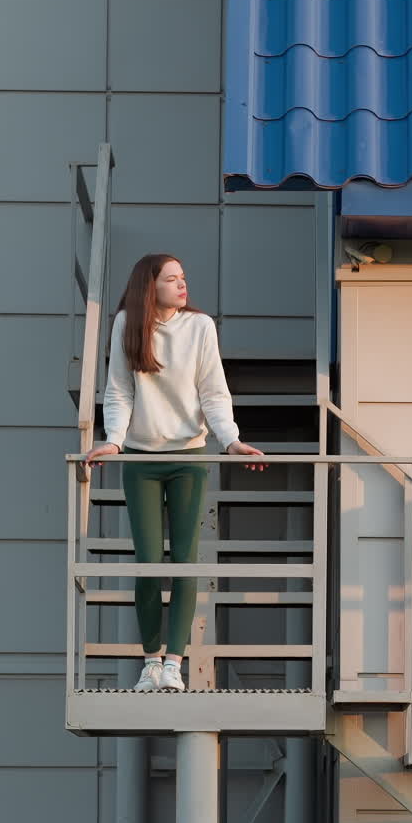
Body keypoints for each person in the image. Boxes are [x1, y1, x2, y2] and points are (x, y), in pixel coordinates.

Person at [85, 253, 265, 692]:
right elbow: (119, 389)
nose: (183, 286)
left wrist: (231, 440)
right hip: (141, 460)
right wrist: (114, 439)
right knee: (148, 562)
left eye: (184, 277)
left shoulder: (199, 327)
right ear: (151, 287)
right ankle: (150, 662)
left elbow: (214, 392)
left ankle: (174, 664)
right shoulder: (128, 324)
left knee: (184, 563)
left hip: (189, 457)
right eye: (172, 279)